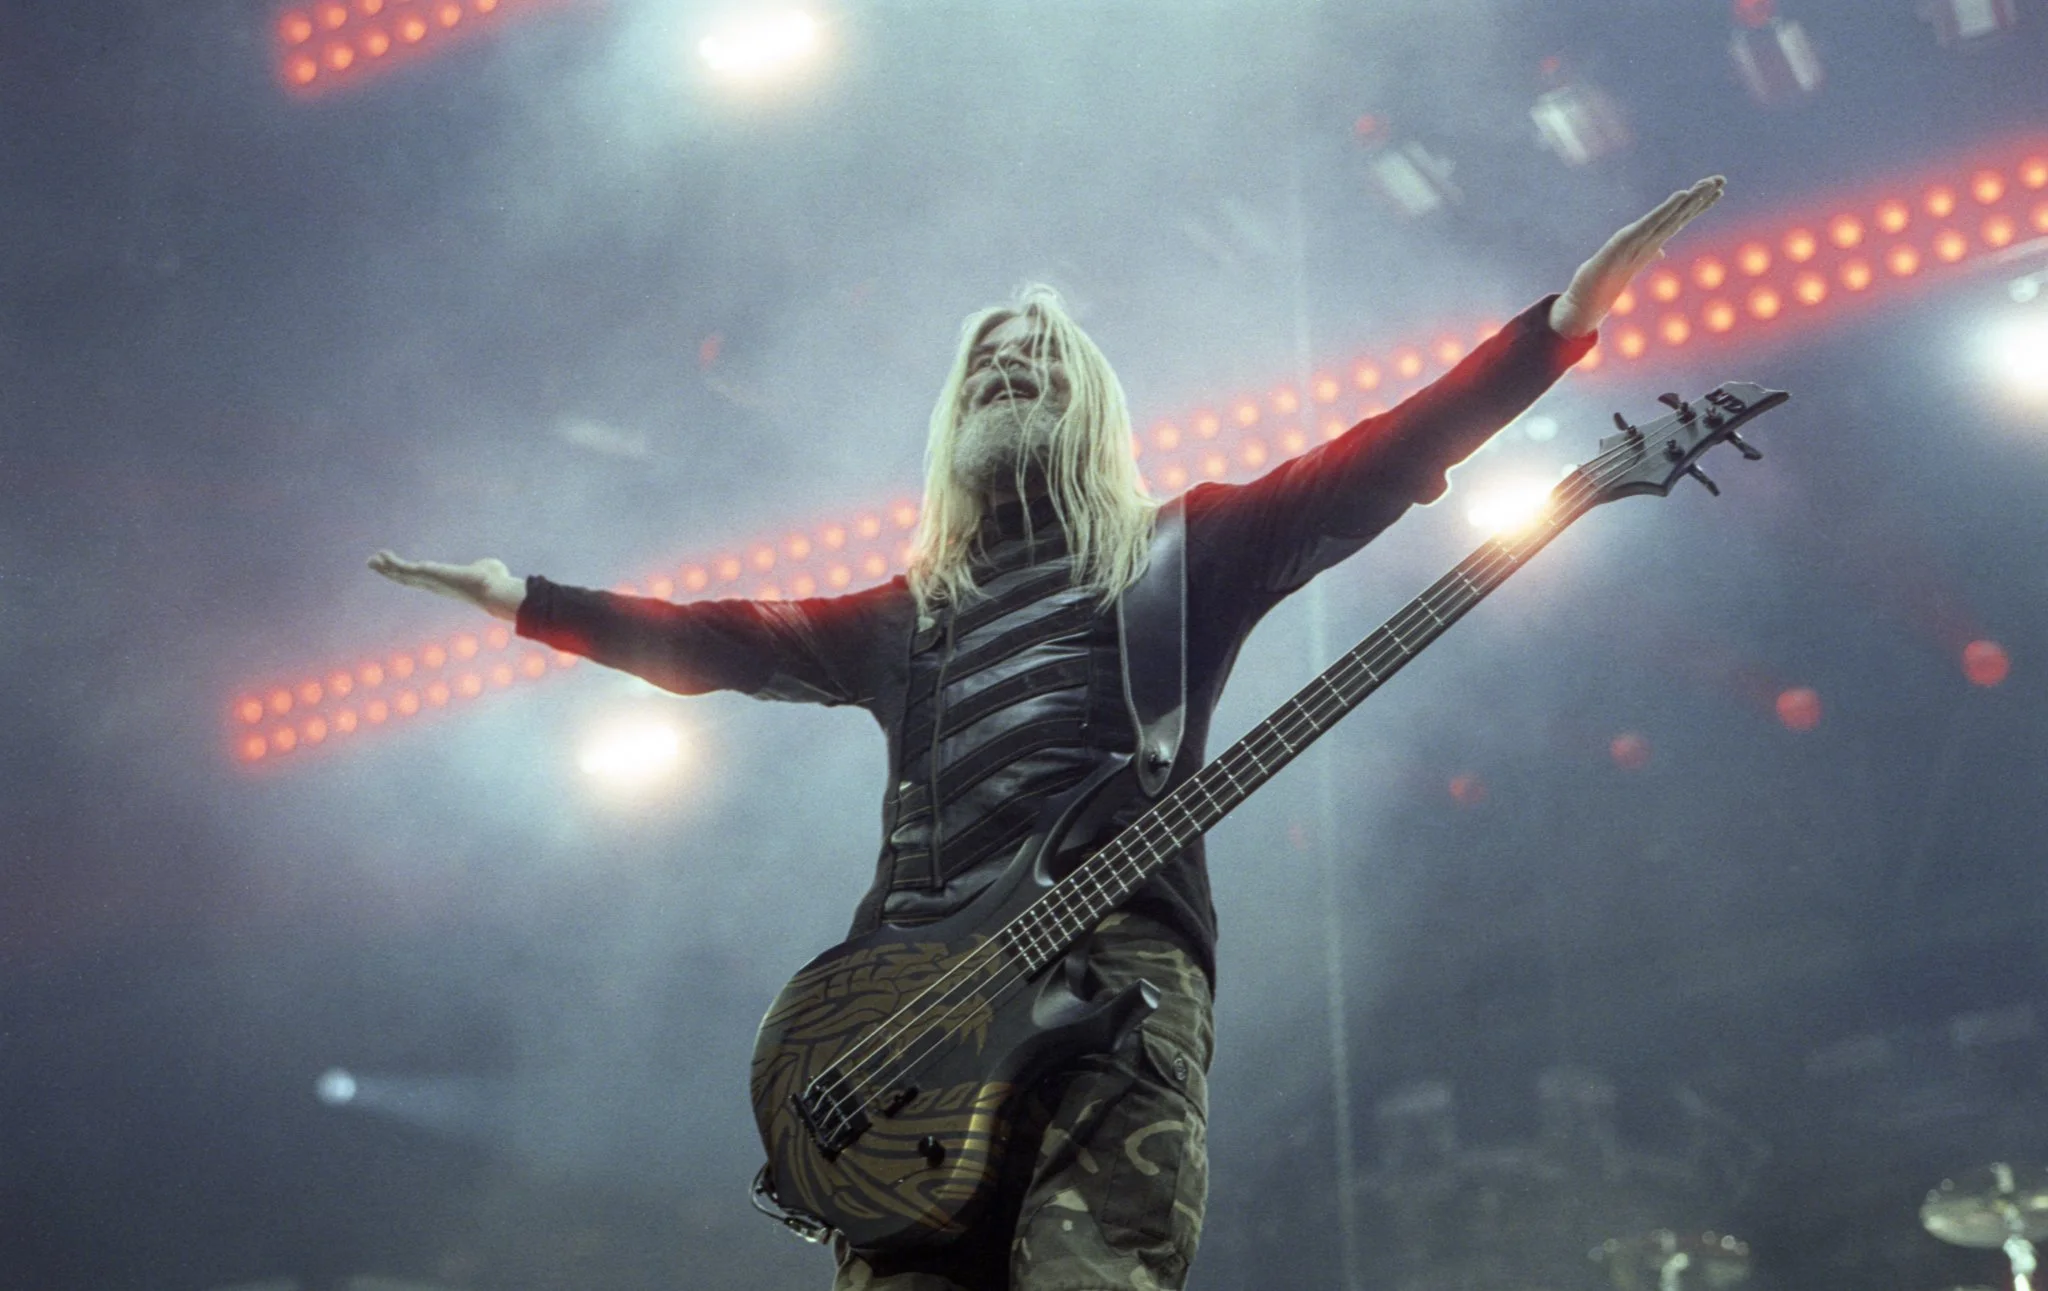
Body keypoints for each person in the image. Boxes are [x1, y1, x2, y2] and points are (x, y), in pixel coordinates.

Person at [370, 175, 1726, 1291]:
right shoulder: (904, 616)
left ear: (1089, 407)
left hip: (1114, 966)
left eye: (1036, 365)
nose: (1007, 378)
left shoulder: (1189, 547)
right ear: (949, 422)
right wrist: (527, 600)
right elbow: (714, 639)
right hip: (901, 1011)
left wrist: (1559, 324)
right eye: (983, 373)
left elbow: (1382, 457)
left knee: (1092, 1274)